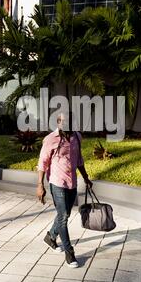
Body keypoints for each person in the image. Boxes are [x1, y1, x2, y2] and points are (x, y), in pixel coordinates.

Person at [37, 113, 92, 268]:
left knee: (65, 214)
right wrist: (40, 185)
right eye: (62, 121)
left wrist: (86, 178)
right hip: (57, 182)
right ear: (58, 122)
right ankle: (70, 253)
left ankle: (51, 237)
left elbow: (79, 159)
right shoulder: (50, 139)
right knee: (63, 218)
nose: (65, 124)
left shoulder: (77, 137)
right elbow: (42, 163)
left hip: (71, 183)